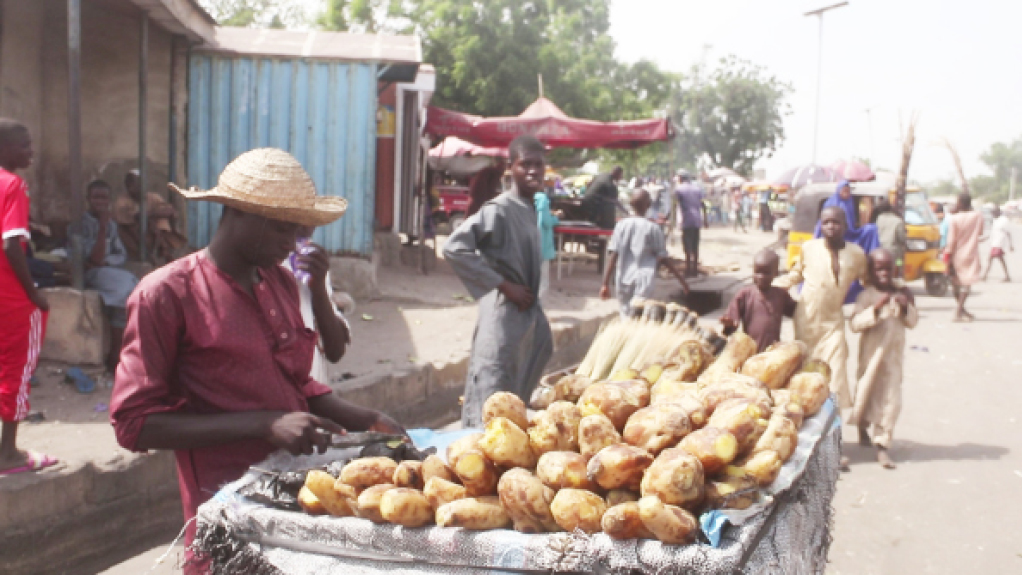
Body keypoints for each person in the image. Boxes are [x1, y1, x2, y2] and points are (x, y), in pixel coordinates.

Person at [110, 148, 402, 571]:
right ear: (237, 214)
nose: (291, 246)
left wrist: (366, 417)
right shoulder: (166, 294)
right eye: (283, 231)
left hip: (294, 509)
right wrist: (265, 423)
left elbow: (296, 382)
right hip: (226, 519)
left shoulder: (280, 282)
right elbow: (133, 423)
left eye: (298, 233)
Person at [443, 135, 553, 427]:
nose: (532, 171)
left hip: (524, 318)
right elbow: (454, 247)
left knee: (513, 403)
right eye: (525, 164)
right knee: (490, 395)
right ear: (511, 168)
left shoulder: (530, 209)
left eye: (538, 165)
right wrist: (503, 285)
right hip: (502, 315)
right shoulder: (499, 209)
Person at [776, 206, 869, 446]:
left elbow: (870, 280)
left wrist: (892, 289)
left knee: (835, 381)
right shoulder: (809, 248)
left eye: (836, 222)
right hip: (806, 322)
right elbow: (795, 275)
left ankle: (834, 442)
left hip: (833, 324)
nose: (831, 227)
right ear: (821, 224)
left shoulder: (856, 254)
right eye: (826, 222)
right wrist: (772, 286)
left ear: (844, 225)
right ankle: (807, 440)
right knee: (806, 381)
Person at [0, 119, 56, 475]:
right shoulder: (14, 185)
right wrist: (34, 294)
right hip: (12, 299)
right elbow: (10, 244)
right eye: (24, 145)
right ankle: (9, 455)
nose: (30, 151)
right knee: (16, 372)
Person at [848, 248, 917, 469]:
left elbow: (913, 322)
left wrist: (906, 307)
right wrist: (876, 309)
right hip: (870, 358)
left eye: (888, 268)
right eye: (879, 269)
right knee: (865, 394)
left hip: (893, 360)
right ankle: (862, 427)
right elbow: (855, 324)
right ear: (871, 271)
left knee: (890, 401)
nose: (884, 273)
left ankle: (883, 446)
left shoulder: (903, 293)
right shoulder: (866, 296)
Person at [71, 180, 140, 373]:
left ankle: (124, 354)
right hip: (91, 274)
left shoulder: (111, 225)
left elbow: (120, 254)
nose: (100, 202)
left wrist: (106, 261)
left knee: (135, 288)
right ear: (88, 199)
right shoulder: (81, 225)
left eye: (104, 198)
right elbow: (91, 258)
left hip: (108, 270)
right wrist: (101, 229)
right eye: (96, 197)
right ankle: (114, 359)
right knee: (124, 293)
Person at [600, 189, 689, 317]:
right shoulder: (653, 228)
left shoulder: (621, 226)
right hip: (644, 279)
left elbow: (613, 255)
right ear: (648, 205)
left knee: (625, 314)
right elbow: (663, 258)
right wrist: (682, 281)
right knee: (639, 314)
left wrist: (605, 283)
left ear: (631, 204)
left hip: (622, 278)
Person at [282, 226, 352, 385]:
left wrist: (318, 287)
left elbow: (335, 351)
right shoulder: (264, 266)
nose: (308, 227)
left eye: (312, 220)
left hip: (312, 394)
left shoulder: (309, 260)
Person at [814, 180, 880, 302]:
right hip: (836, 236)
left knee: (871, 230)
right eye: (844, 190)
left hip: (849, 234)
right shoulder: (832, 203)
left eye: (848, 191)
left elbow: (851, 225)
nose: (846, 193)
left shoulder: (849, 203)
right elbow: (826, 223)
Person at [721, 250, 796, 353]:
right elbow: (731, 323)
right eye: (757, 272)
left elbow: (796, 312)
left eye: (766, 273)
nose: (761, 277)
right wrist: (728, 324)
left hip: (772, 353)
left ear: (776, 273)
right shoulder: (745, 294)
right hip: (750, 352)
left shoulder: (780, 295)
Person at [114, 169, 187, 265]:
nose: (138, 187)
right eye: (134, 185)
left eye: (140, 184)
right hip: (136, 237)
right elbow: (134, 219)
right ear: (127, 186)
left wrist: (149, 215)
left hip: (156, 234)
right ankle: (160, 250)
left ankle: (162, 247)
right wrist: (148, 217)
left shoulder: (153, 197)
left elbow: (170, 211)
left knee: (160, 218)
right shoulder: (122, 202)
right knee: (144, 222)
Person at [945, 193, 984, 321]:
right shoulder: (978, 216)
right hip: (971, 253)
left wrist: (948, 256)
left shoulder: (954, 219)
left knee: (956, 283)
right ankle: (960, 310)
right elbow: (980, 232)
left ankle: (960, 310)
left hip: (957, 254)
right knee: (966, 284)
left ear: (960, 203)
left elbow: (951, 241)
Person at [674, 169, 706, 277]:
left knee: (687, 248)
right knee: (695, 246)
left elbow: (674, 204)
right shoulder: (697, 189)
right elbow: (703, 205)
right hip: (697, 220)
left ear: (681, 178)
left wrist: (669, 217)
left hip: (686, 221)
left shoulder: (679, 189)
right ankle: (695, 271)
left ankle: (688, 271)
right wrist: (705, 220)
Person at [534, 190, 562, 304]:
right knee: (543, 280)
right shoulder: (543, 199)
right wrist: (556, 218)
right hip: (543, 244)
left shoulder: (529, 197)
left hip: (530, 244)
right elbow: (547, 222)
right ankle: (540, 307)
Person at [582, 166, 627, 230]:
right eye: (621, 176)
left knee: (606, 201)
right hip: (593, 205)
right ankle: (608, 227)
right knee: (610, 205)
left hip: (585, 200)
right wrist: (626, 212)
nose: (621, 178)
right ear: (617, 173)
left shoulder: (601, 175)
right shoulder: (610, 185)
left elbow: (589, 184)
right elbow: (616, 202)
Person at [872, 198, 907, 276]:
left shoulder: (878, 219)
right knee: (899, 265)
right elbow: (902, 238)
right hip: (895, 253)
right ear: (891, 208)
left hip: (881, 249)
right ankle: (898, 277)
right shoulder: (898, 221)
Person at [984, 206, 1013, 282]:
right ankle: (1007, 276)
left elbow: (1008, 233)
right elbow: (993, 233)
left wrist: (1010, 245)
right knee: (998, 259)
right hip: (994, 243)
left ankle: (985, 276)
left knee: (992, 259)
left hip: (999, 243)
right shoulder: (995, 220)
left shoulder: (1004, 220)